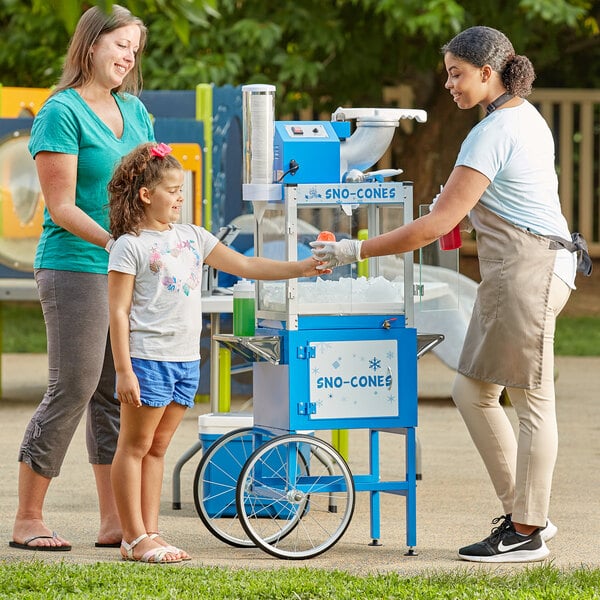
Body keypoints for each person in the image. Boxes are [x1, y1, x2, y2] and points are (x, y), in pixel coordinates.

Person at [311, 26, 591, 563]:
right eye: (447, 74)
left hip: (528, 270)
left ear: (489, 73)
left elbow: (436, 225)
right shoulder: (517, 119)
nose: (449, 84)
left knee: (532, 401)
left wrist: (355, 251)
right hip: (520, 269)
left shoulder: (493, 131)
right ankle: (525, 513)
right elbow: (458, 212)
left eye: (457, 74)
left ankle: (526, 531)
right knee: (472, 391)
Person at [107, 141, 324, 563]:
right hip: (147, 358)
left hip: (186, 360)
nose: (180, 197)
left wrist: (300, 268)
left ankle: (151, 533)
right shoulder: (129, 245)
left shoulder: (192, 237)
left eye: (181, 189)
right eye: (172, 190)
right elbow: (117, 311)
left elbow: (246, 266)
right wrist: (123, 370)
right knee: (133, 447)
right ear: (146, 194)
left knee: (157, 449)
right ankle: (133, 538)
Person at [9, 5, 154, 552]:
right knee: (72, 385)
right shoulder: (60, 112)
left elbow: (150, 186)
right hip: (74, 263)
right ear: (91, 44)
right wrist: (117, 243)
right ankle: (27, 517)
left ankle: (115, 521)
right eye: (120, 44)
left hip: (125, 265)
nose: (127, 56)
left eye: (134, 49)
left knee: (116, 394)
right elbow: (62, 205)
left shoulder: (136, 111)